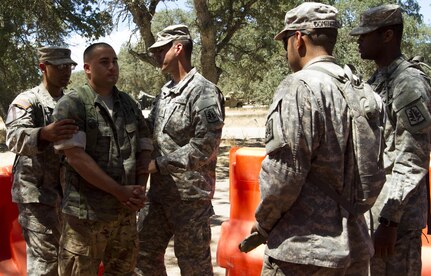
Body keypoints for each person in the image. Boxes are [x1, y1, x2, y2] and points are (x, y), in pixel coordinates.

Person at [250, 2, 385, 275]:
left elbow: (284, 175)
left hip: (303, 252)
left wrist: (263, 223)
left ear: (298, 38)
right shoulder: (363, 89)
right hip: (355, 249)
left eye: (285, 42)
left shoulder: (299, 86)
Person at [52, 42, 153, 275]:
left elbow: (145, 146)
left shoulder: (128, 104)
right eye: (104, 62)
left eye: (115, 61)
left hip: (124, 214)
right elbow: (76, 157)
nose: (112, 67)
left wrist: (138, 188)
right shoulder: (72, 104)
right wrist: (120, 191)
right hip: (86, 217)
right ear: (87, 68)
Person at [136, 24, 225, 276]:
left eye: (160, 50)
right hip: (160, 194)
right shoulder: (165, 92)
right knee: (143, 254)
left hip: (190, 198)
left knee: (193, 265)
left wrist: (158, 164)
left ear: (178, 48)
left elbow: (203, 147)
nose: (155, 55)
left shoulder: (204, 91)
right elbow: (150, 131)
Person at [350, 4, 431, 275]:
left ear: (387, 36)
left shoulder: (408, 83)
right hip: (375, 215)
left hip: (397, 221)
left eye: (366, 34)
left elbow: (412, 156)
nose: (359, 39)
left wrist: (390, 220)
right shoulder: (377, 81)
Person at [5, 46, 79, 276]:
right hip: (36, 195)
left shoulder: (72, 101)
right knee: (44, 263)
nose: (65, 71)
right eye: (59, 66)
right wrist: (44, 133)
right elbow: (14, 138)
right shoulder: (28, 100)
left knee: (67, 259)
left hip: (66, 195)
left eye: (69, 66)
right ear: (43, 68)